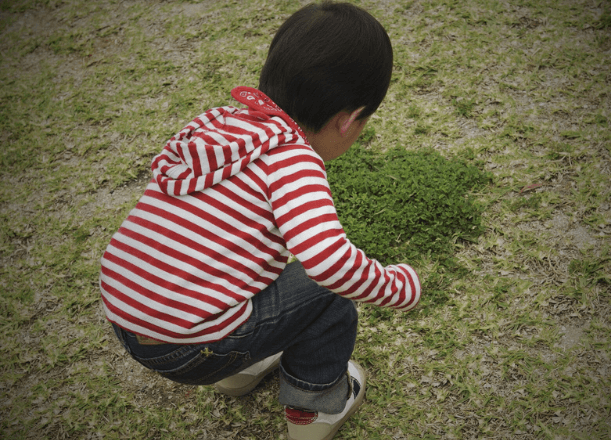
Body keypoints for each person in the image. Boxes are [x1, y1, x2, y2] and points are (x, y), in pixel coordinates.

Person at [99, 1, 421, 439]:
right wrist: (398, 286)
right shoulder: (293, 162)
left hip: (127, 319)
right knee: (326, 294)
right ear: (348, 121)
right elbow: (330, 264)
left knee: (255, 259)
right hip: (192, 346)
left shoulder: (224, 128)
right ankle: (314, 410)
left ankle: (238, 371)